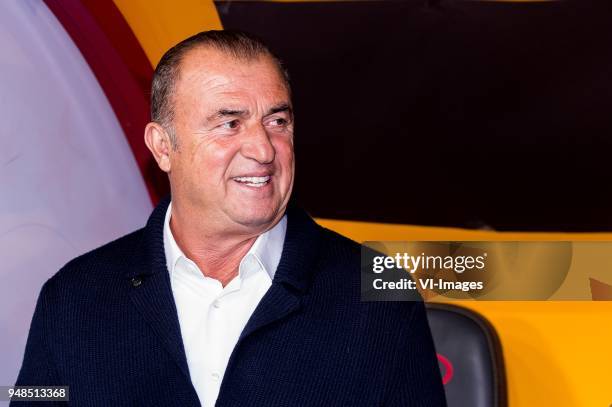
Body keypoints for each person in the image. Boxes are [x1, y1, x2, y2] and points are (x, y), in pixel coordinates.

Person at [14, 30, 446, 406]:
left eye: (277, 121)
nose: (263, 149)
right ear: (163, 146)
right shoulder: (73, 297)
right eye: (230, 124)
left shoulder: (381, 296)